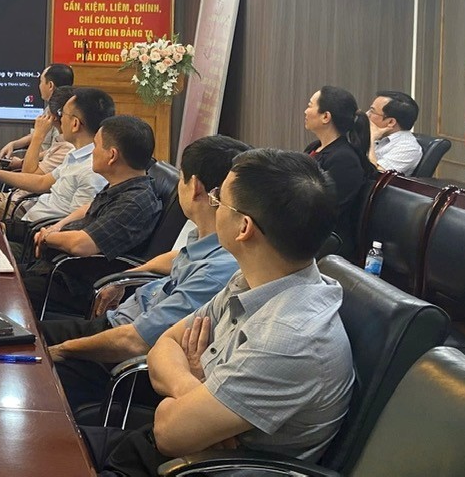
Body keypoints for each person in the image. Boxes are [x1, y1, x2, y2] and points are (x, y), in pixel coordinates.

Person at [89, 149, 352, 477]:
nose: (212, 204)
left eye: (219, 199)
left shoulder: (291, 338)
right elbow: (164, 344)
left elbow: (168, 432)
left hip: (187, 467)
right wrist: (193, 390)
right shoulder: (253, 278)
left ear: (244, 227)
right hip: (164, 452)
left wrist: (186, 396)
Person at [44, 135, 249, 414]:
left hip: (120, 362)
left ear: (195, 188)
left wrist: (62, 350)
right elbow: (178, 257)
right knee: (20, 336)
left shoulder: (218, 271)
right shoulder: (205, 239)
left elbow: (135, 341)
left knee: (23, 352)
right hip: (119, 326)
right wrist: (131, 274)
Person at [24, 115, 163, 317]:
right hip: (56, 268)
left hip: (73, 284)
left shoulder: (134, 203)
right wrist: (58, 226)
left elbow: (81, 245)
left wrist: (47, 237)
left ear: (112, 156)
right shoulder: (123, 184)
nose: (92, 151)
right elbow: (89, 207)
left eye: (96, 146)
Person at [0, 87, 117, 246]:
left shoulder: (91, 171)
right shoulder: (74, 154)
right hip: (28, 225)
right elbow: (41, 182)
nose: (59, 120)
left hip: (36, 239)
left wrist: (24, 232)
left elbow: (75, 226)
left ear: (75, 124)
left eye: (63, 114)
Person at [0, 86, 76, 215]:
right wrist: (19, 162)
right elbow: (46, 155)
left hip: (23, 205)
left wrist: (38, 136)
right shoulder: (61, 142)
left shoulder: (68, 148)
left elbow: (29, 175)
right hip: (15, 197)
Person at [303, 86, 376, 260]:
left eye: (310, 105)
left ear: (326, 117)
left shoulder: (345, 160)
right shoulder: (315, 147)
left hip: (325, 241)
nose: (305, 111)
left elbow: (323, 208)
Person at [0, 64, 75, 163]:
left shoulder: (62, 113)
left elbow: (57, 151)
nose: (39, 86)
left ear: (50, 85)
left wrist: (21, 162)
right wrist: (14, 144)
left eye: (41, 81)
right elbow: (37, 134)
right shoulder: (49, 108)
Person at [366, 90, 423, 175]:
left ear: (391, 122)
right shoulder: (380, 136)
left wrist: (371, 139)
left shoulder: (408, 148)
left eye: (372, 111)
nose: (367, 114)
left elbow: (375, 176)